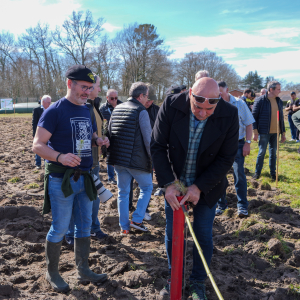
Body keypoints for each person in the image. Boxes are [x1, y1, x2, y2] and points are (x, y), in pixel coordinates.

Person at [151, 77, 239, 299]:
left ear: (218, 100)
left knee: (202, 233)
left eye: (210, 108)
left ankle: (197, 281)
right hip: (175, 181)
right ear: (190, 93)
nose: (203, 113)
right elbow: (158, 146)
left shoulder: (229, 113)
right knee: (173, 233)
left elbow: (226, 158)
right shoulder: (171, 105)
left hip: (207, 184)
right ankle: (174, 277)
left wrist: (199, 187)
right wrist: (169, 184)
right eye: (198, 107)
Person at [32, 65, 109, 293]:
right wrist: (60, 157)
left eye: (90, 88)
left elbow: (90, 135)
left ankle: (83, 268)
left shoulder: (87, 109)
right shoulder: (54, 111)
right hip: (60, 179)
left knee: (84, 225)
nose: (87, 92)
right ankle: (52, 272)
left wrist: (98, 141)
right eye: (83, 87)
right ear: (69, 84)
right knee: (60, 227)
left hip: (86, 178)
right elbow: (37, 145)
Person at [65, 74, 108, 245]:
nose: (97, 89)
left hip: (93, 161)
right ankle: (72, 233)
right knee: (79, 199)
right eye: (94, 86)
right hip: (82, 164)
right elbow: (78, 138)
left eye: (94, 87)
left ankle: (93, 227)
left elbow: (93, 134)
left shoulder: (93, 106)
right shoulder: (82, 108)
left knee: (92, 199)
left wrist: (100, 140)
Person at [107, 82, 153, 235]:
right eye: (146, 96)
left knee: (123, 192)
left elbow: (110, 131)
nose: (147, 99)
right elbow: (148, 139)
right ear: (140, 96)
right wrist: (152, 160)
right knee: (147, 187)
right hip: (136, 160)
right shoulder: (141, 111)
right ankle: (138, 219)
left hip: (118, 159)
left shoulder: (117, 108)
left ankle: (124, 227)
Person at [216, 81, 255, 217]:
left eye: (220, 92)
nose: (219, 95)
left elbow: (249, 124)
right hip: (220, 146)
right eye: (217, 92)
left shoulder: (239, 103)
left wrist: (248, 143)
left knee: (239, 174)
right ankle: (221, 204)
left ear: (227, 90)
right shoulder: (214, 104)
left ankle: (242, 205)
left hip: (237, 144)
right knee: (219, 175)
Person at [252, 80, 286, 181]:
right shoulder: (260, 100)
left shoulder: (279, 101)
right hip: (263, 132)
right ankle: (257, 173)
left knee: (273, 153)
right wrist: (255, 132)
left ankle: (273, 173)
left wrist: (283, 133)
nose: (280, 91)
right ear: (271, 89)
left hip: (276, 133)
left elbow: (281, 118)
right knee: (261, 152)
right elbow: (253, 117)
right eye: (278, 89)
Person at [100, 89, 122, 185]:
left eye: (116, 98)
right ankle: (111, 177)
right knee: (110, 157)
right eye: (112, 98)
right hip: (108, 136)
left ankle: (121, 177)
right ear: (107, 98)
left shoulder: (123, 106)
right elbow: (101, 124)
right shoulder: (102, 109)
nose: (114, 100)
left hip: (121, 135)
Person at [32, 95, 51, 169]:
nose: (49, 104)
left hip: (49, 132)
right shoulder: (37, 110)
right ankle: (38, 164)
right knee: (39, 146)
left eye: (50, 102)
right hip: (39, 132)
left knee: (48, 147)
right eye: (48, 102)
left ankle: (47, 162)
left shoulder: (51, 109)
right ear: (43, 102)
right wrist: (34, 134)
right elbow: (34, 123)